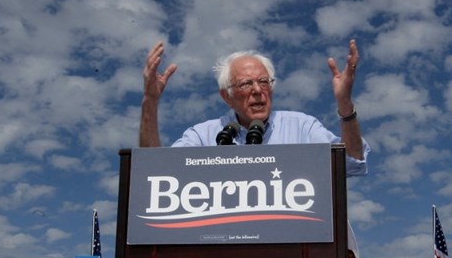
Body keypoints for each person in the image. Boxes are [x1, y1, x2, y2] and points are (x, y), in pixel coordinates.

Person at [139, 40, 370, 177]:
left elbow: (351, 163)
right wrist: (150, 101)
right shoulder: (203, 136)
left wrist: (345, 103)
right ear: (227, 97)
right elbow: (157, 175)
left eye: (263, 82)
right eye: (246, 84)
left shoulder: (301, 126)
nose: (257, 90)